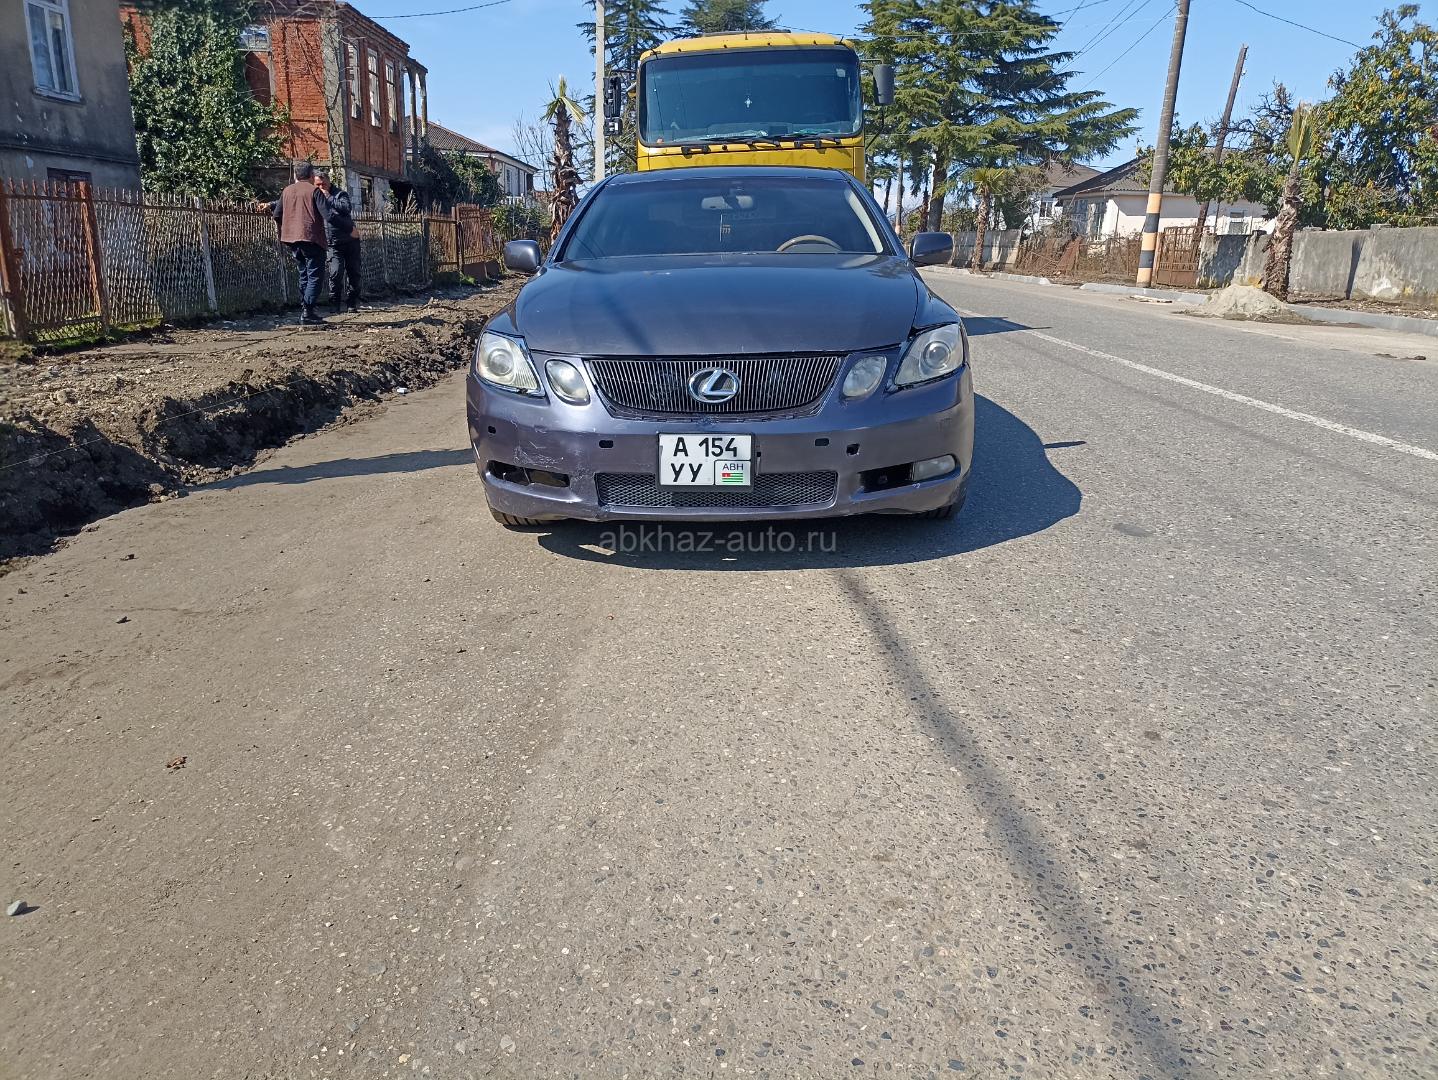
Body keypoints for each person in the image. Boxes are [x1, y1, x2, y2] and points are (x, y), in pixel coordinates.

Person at [259, 162, 328, 326]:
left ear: (296, 175)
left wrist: (289, 227)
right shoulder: (314, 191)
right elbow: (328, 214)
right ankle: (308, 311)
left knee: (303, 273)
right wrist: (346, 228)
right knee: (315, 275)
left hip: (292, 240)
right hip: (312, 238)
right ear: (311, 176)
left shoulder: (287, 191)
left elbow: (277, 214)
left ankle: (306, 309)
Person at [315, 170, 361, 314]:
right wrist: (272, 205)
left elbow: (346, 208)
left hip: (350, 241)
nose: (321, 187)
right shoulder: (315, 196)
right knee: (335, 273)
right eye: (318, 185)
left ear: (329, 182)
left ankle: (351, 303)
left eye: (323, 184)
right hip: (332, 243)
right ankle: (334, 303)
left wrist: (329, 198)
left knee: (354, 273)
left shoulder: (340, 194)